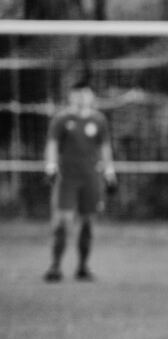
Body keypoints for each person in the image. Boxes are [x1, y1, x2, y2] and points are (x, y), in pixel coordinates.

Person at [43, 79, 117, 282]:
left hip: (91, 178)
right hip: (67, 179)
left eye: (86, 93)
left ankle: (83, 267)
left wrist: (110, 173)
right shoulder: (61, 119)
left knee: (88, 223)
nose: (82, 97)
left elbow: (105, 149)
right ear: (71, 96)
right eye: (78, 93)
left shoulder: (99, 120)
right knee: (63, 221)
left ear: (92, 96)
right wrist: (50, 167)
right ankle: (55, 266)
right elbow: (52, 145)